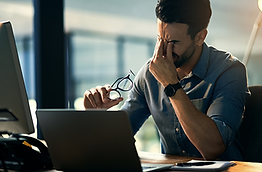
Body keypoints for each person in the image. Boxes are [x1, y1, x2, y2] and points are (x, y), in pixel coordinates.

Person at [83, 0, 250, 160]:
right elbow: (117, 141)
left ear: (200, 37)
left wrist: (171, 85)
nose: (163, 50)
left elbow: (212, 147)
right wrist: (95, 116)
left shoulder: (229, 71)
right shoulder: (149, 75)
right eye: (159, 38)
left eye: (173, 42)